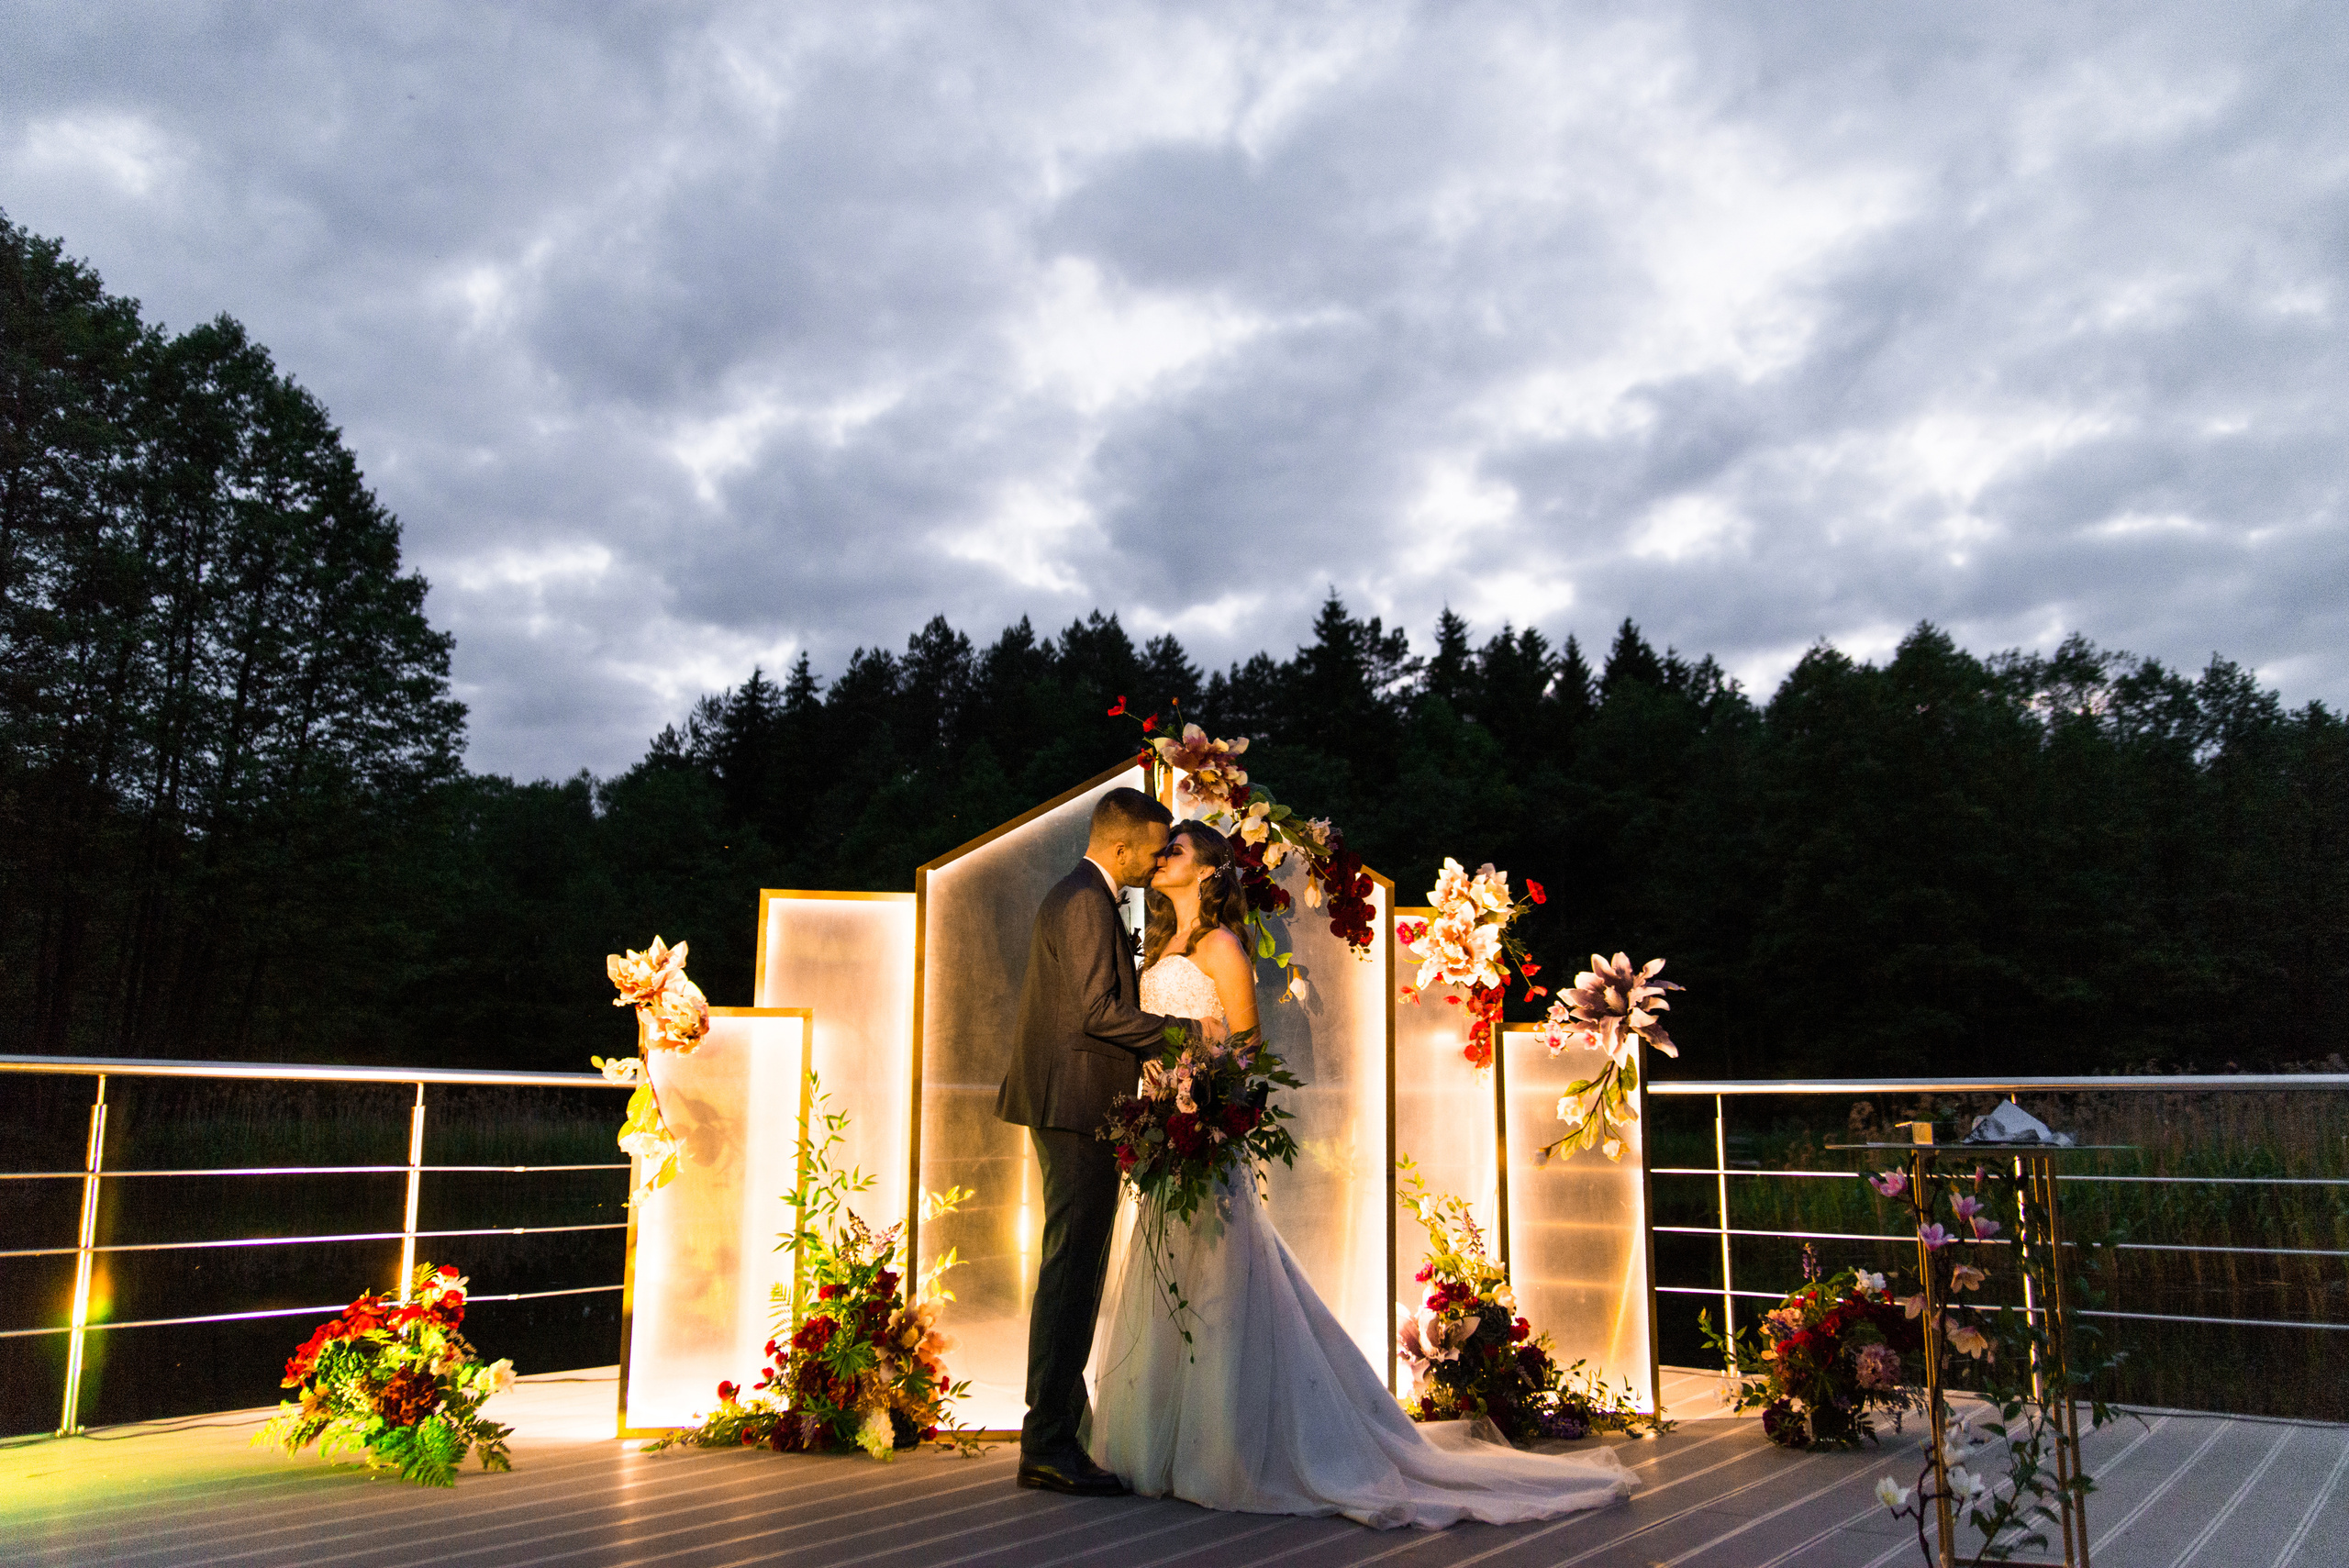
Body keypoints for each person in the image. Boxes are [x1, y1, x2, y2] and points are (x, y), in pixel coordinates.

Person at [1086, 819, 1639, 1529]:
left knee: (1218, 1291)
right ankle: (1164, 1445)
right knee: (1167, 1283)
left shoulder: (1221, 945)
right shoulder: (1162, 946)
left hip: (1207, 1138)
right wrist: (1155, 1112)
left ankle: (1224, 1450)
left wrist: (1212, 1103)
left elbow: (1248, 1050)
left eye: (1177, 850)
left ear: (1210, 869)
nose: (1163, 857)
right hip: (1165, 1135)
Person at [995, 785, 1222, 1496]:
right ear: (1120, 847)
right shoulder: (1086, 901)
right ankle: (1047, 1443)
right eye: (1152, 851)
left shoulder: (1085, 896)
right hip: (1075, 1104)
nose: (1156, 862)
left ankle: (1061, 1426)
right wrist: (1184, 1034)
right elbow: (1097, 1010)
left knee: (1073, 1269)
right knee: (1072, 1272)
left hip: (1073, 1101)